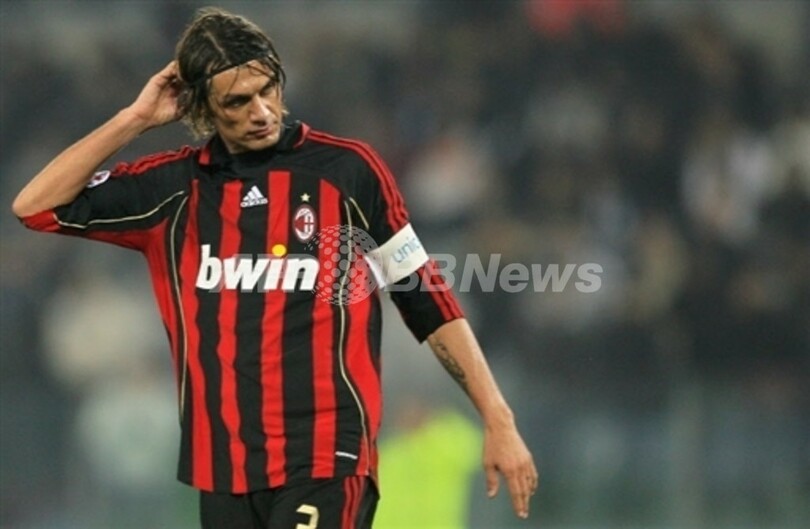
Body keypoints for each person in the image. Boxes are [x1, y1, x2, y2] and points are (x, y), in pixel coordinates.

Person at [12, 7, 537, 529]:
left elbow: (426, 299)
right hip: (224, 470)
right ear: (202, 107)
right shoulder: (174, 190)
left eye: (268, 90)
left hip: (327, 457)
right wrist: (135, 119)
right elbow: (35, 206)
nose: (261, 111)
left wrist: (498, 417)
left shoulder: (347, 172)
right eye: (237, 102)